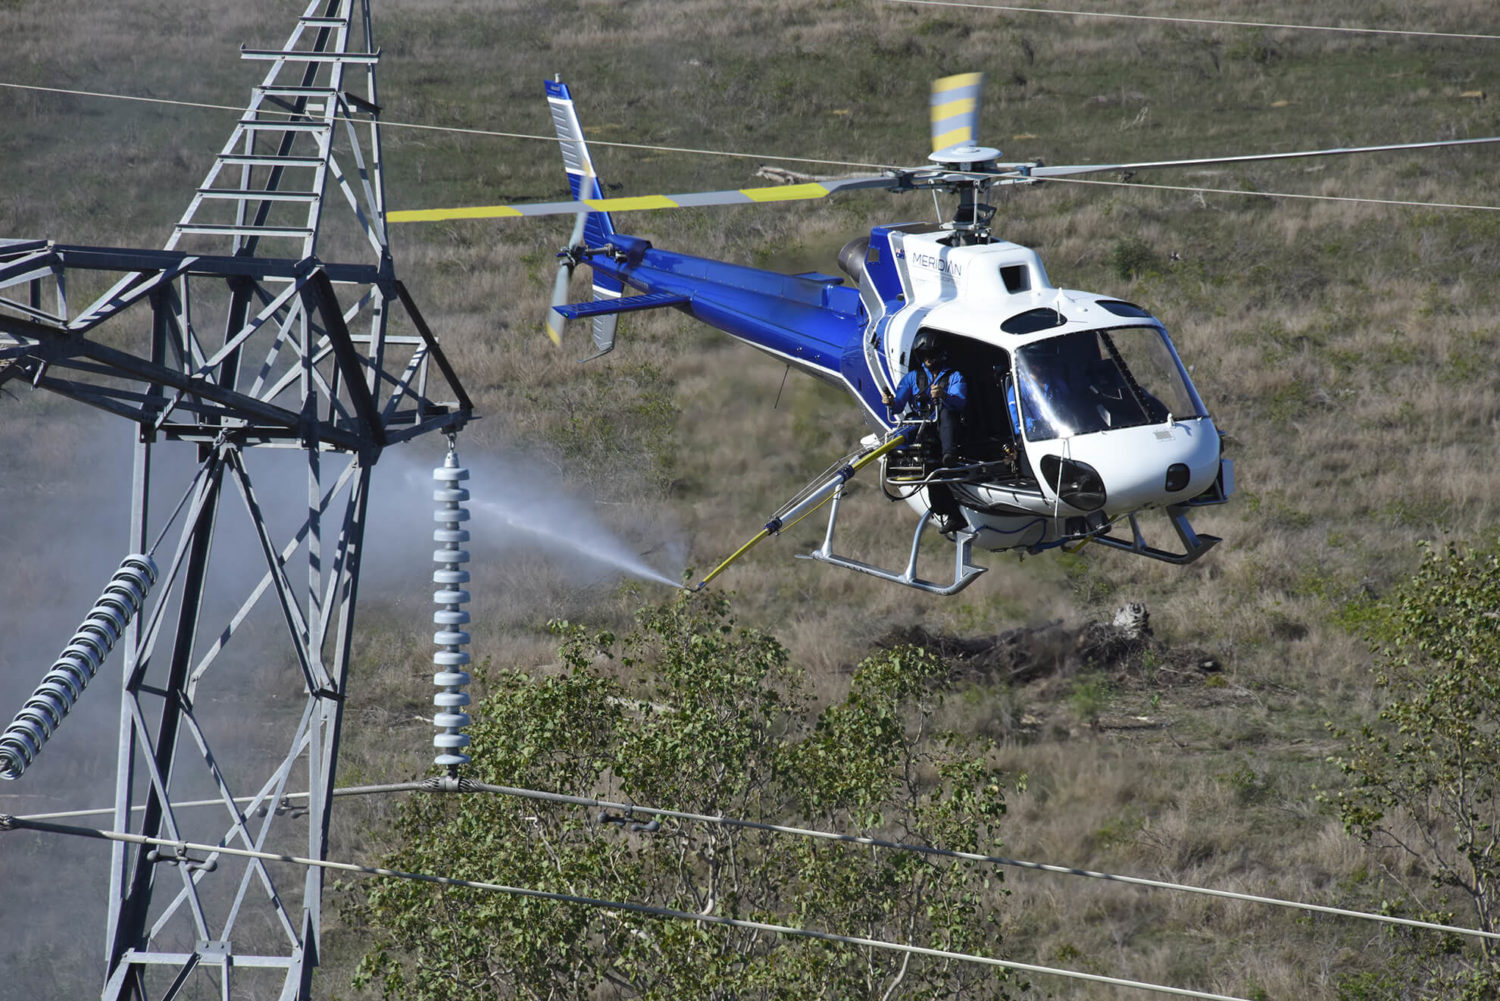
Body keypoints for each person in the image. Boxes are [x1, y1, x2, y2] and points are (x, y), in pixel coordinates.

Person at [882, 333, 967, 533]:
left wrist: (943, 395)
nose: (928, 358)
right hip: (921, 425)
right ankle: (901, 463)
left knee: (946, 413)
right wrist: (890, 402)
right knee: (903, 433)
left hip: (946, 428)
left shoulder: (955, 376)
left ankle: (949, 455)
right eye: (924, 355)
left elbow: (960, 401)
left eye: (931, 353)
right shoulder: (913, 378)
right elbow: (899, 404)